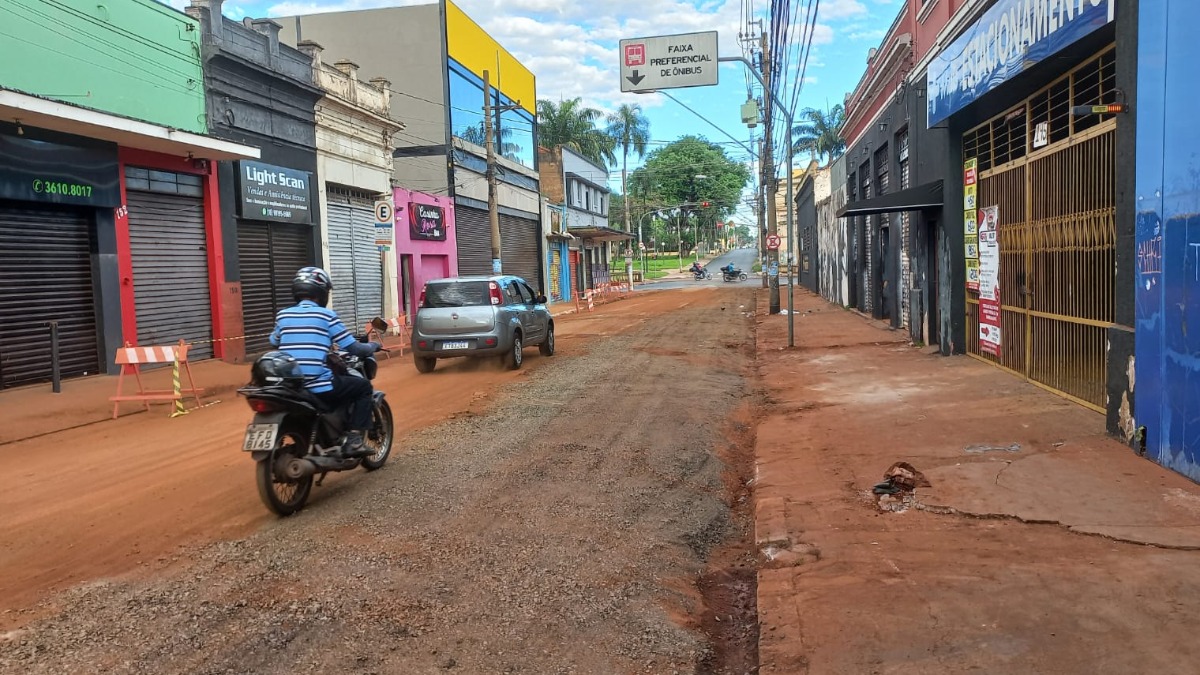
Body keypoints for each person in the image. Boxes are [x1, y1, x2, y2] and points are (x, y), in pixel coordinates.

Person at [269, 267, 381, 457]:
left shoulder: (283, 315)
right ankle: (354, 440)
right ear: (322, 293)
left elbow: (274, 341)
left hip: (291, 386)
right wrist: (372, 346)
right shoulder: (326, 315)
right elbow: (354, 349)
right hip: (318, 385)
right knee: (362, 387)